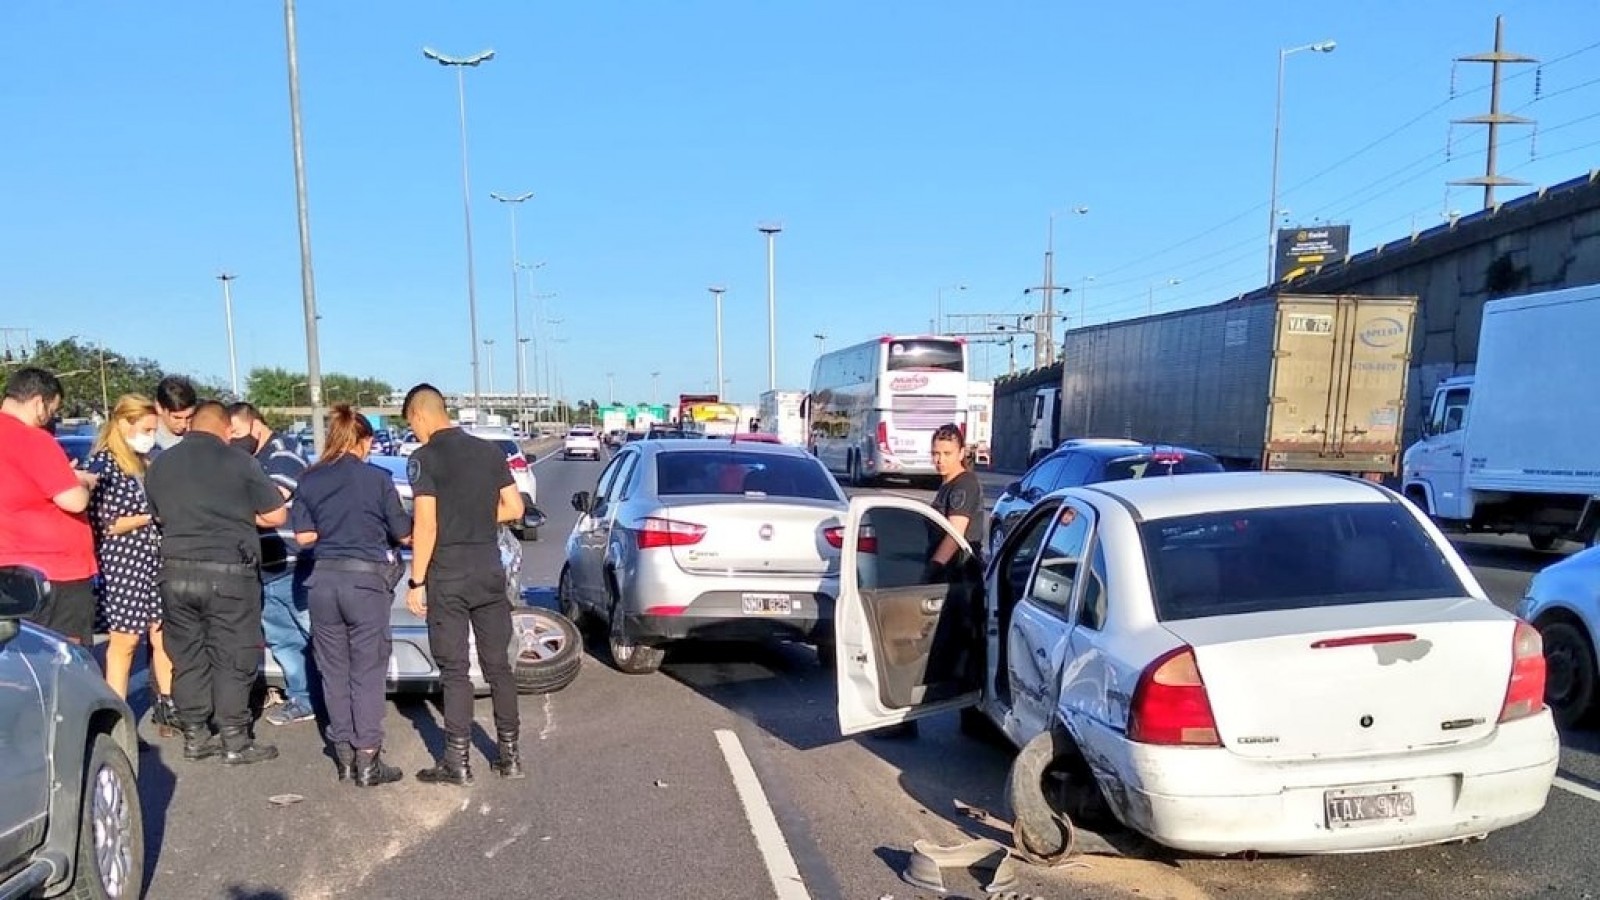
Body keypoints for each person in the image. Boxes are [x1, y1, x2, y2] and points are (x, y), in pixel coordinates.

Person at [146, 401, 286, 765]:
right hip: (229, 574)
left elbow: (158, 514)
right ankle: (235, 741)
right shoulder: (239, 462)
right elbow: (275, 514)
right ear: (225, 429)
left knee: (187, 655)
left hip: (174, 572)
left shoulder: (161, 464)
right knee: (233, 656)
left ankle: (195, 736)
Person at [402, 383, 525, 786]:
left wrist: (416, 581)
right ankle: (510, 756)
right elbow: (514, 508)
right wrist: (475, 520)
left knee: (455, 670)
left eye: (411, 425)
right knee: (498, 667)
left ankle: (458, 761)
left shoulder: (424, 458)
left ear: (419, 415)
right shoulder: (489, 452)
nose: (414, 434)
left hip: (448, 575)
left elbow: (426, 524)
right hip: (488, 569)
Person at [292, 406, 412, 787]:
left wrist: (333, 529)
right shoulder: (377, 480)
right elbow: (405, 534)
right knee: (367, 672)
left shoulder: (310, 480)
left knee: (334, 672)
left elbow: (304, 538)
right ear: (364, 442)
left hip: (322, 583)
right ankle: (368, 760)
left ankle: (343, 754)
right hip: (365, 585)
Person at [87, 393, 177, 734]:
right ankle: (117, 722)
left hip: (154, 559)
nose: (151, 436)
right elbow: (106, 523)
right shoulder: (103, 465)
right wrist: (148, 517)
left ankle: (168, 708)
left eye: (154, 429)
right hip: (123, 563)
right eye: (146, 428)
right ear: (123, 423)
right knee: (124, 644)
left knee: (163, 636)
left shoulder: (146, 462)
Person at [227, 401, 317, 726]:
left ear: (254, 424)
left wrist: (227, 510)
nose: (233, 440)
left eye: (236, 432)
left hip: (295, 564)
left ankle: (336, 701)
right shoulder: (246, 459)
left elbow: (274, 501)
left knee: (315, 635)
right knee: (283, 639)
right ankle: (303, 699)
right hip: (263, 567)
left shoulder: (284, 451)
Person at [0, 367, 99, 646]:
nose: (50, 419)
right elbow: (74, 500)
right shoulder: (33, 438)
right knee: (64, 658)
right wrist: (83, 482)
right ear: (38, 402)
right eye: (52, 411)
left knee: (19, 654)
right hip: (56, 574)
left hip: (9, 568)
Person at [928, 422, 985, 577]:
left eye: (947, 453)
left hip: (960, 576)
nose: (940, 460)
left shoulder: (964, 484)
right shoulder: (948, 483)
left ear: (960, 454)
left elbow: (954, 534)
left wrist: (933, 569)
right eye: (935, 453)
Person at [150, 374, 198, 457]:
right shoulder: (146, 440)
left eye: (189, 417)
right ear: (159, 408)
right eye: (177, 418)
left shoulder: (197, 438)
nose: (183, 424)